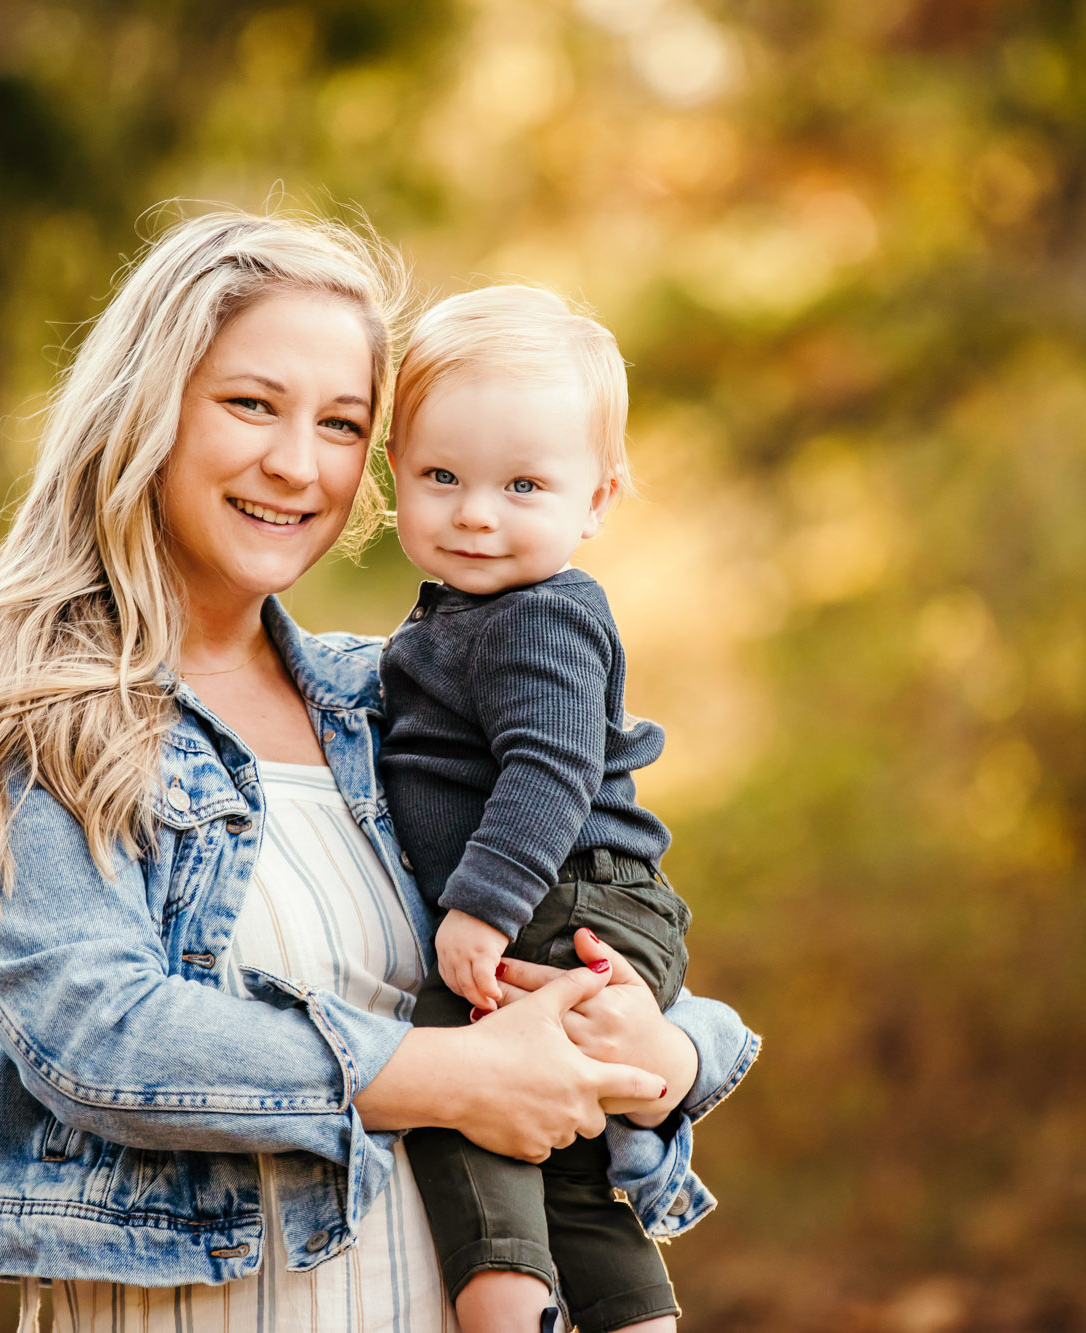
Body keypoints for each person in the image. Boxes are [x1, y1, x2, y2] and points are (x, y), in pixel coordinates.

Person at [0, 211, 760, 1333]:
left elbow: (595, 943)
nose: (296, 463)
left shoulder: (382, 698)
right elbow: (99, 1037)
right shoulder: (27, 699)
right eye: (251, 403)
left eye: (341, 423)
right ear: (148, 405)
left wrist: (671, 1048)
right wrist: (449, 1075)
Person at [380, 286, 696, 1333]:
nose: (475, 511)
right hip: (575, 899)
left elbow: (548, 771)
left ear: (595, 500)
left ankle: (502, 1307)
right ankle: (630, 1313)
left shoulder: (535, 618)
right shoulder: (461, 614)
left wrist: (479, 905)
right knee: (565, 1170)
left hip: (561, 898)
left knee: (448, 1071)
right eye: (441, 476)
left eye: (522, 483)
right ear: (395, 478)